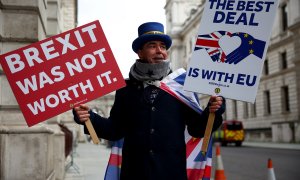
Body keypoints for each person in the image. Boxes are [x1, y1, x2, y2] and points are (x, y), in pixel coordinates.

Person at [73, 22, 225, 180]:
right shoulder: (125, 89)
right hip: (134, 174)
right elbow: (114, 130)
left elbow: (197, 129)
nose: (159, 51)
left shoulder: (181, 85)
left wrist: (213, 110)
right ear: (140, 52)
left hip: (171, 174)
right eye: (152, 46)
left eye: (163, 46)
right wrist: (88, 117)